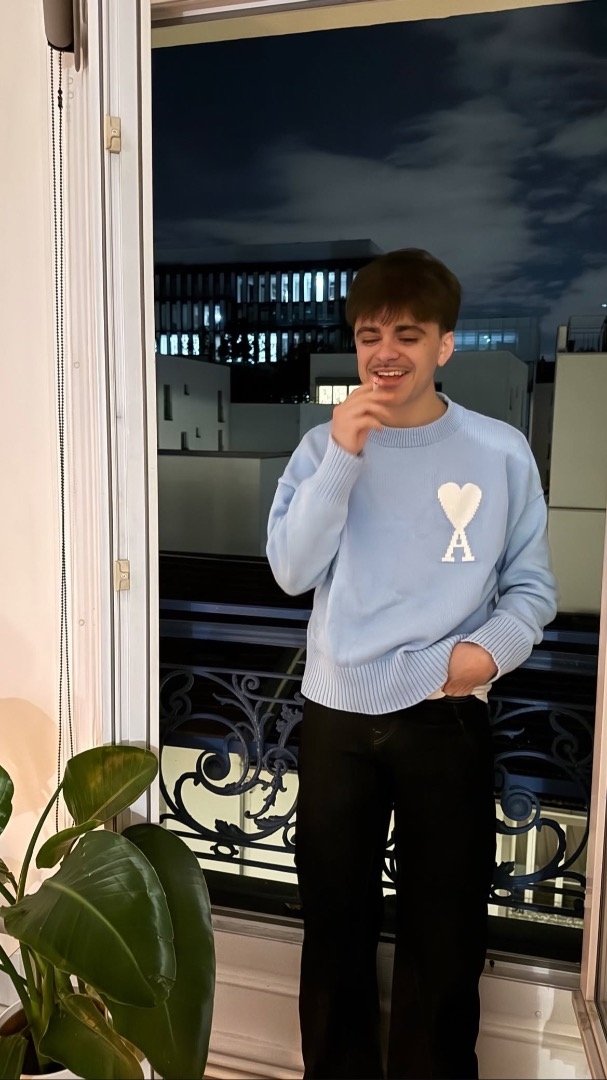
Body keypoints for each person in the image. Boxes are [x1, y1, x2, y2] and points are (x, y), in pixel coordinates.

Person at [266, 248, 558, 1080]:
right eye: (369, 335)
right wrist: (342, 456)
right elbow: (290, 572)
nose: (385, 352)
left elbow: (531, 587)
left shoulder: (498, 451)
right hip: (337, 716)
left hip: (447, 714)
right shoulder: (320, 446)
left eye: (407, 334)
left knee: (444, 933)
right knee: (334, 927)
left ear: (444, 345)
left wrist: (482, 656)